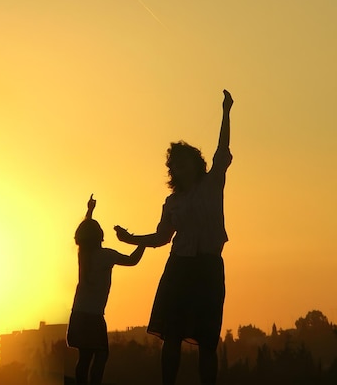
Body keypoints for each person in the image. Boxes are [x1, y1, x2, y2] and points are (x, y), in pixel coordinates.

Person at [114, 89, 233, 385]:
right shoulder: (172, 202)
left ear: (195, 162)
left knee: (207, 340)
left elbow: (222, 150)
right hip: (178, 269)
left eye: (182, 161)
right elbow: (161, 237)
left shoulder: (212, 183)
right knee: (172, 336)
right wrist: (131, 240)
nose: (178, 168)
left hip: (207, 268)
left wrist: (226, 112)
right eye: (174, 165)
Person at [67, 195, 145, 384]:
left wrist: (90, 211)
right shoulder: (106, 256)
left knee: (84, 358)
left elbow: (86, 230)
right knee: (101, 355)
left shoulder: (83, 255)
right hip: (93, 317)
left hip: (78, 315)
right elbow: (132, 260)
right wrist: (144, 242)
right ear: (100, 236)